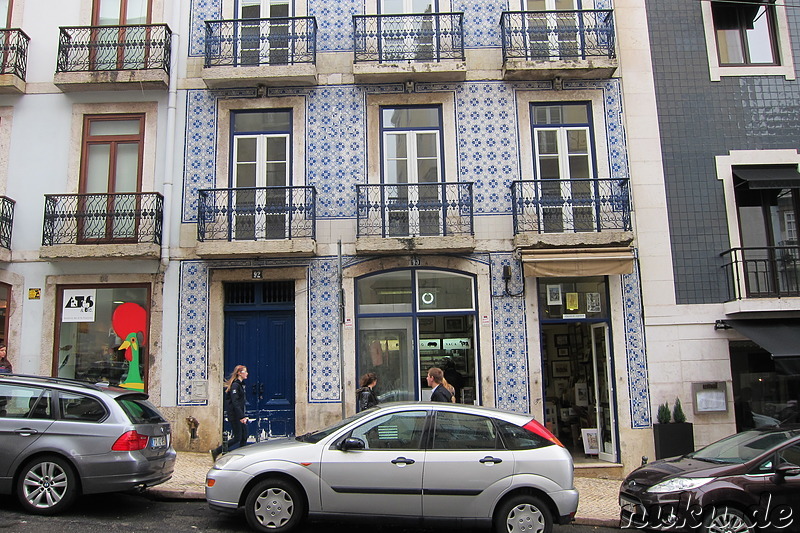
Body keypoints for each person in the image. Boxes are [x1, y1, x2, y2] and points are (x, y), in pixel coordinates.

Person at [210, 365, 249, 461]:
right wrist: (241, 416)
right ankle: (216, 451)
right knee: (238, 437)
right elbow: (235, 402)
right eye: (245, 372)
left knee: (244, 436)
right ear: (239, 373)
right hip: (235, 415)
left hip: (239, 414)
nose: (247, 373)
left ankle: (241, 457)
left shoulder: (240, 384)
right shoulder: (235, 385)